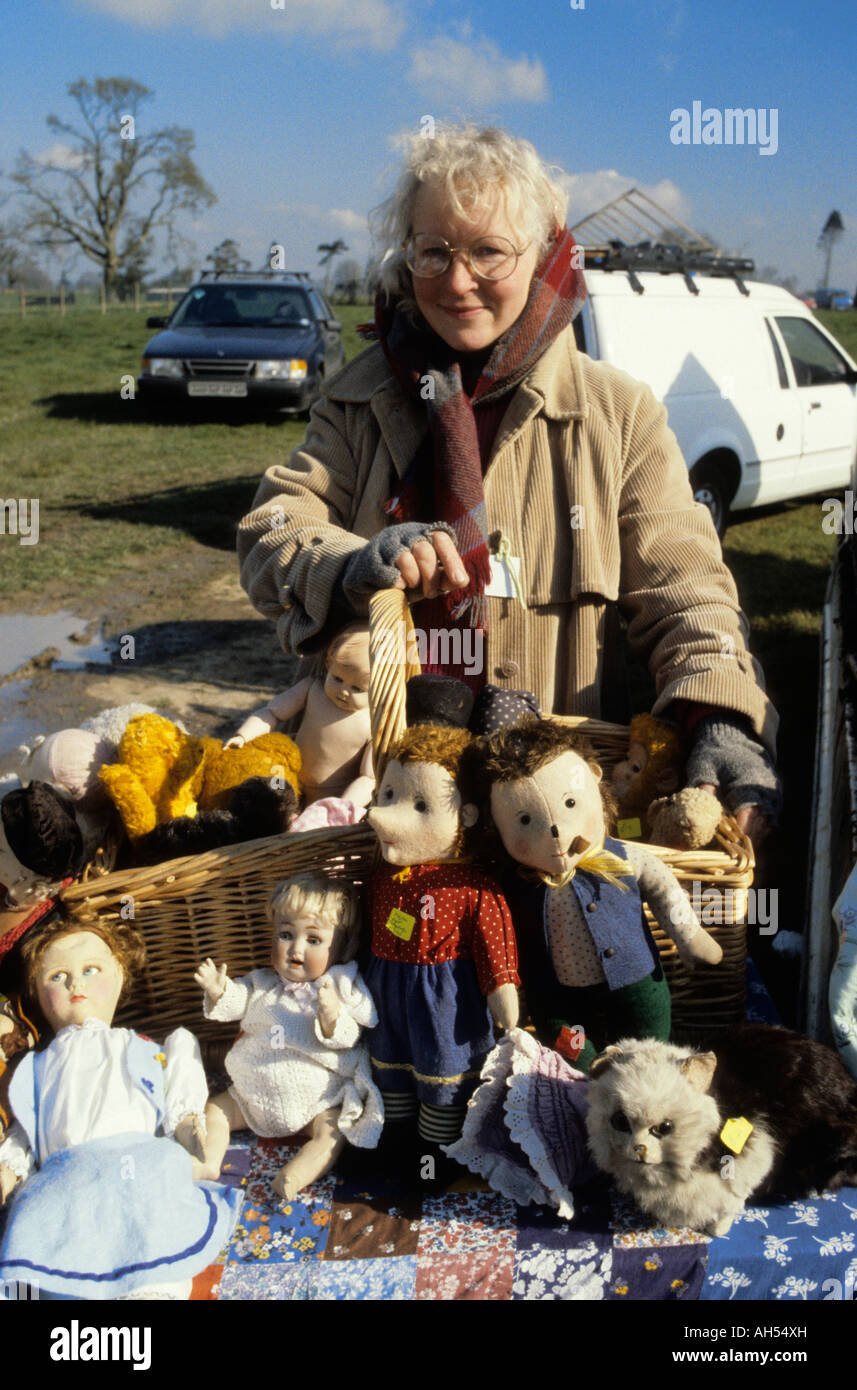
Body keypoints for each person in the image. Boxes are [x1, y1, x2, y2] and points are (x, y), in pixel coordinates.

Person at [237, 124, 780, 843]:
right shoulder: (356, 400)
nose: (456, 281)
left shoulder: (618, 415)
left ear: (545, 253)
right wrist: (346, 564)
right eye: (433, 251)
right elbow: (271, 530)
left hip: (548, 813)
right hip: (378, 810)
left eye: (487, 251)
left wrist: (719, 716)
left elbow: (687, 592)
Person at [193, 872, 382, 1201]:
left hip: (316, 1100)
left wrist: (331, 1016)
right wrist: (218, 989)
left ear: (341, 946)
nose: (296, 948)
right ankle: (208, 1161)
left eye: (313, 940)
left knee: (333, 1132)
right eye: (285, 934)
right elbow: (238, 1000)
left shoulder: (340, 987)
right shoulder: (263, 983)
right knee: (215, 1110)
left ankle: (295, 1176)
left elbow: (351, 1037)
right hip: (253, 1095)